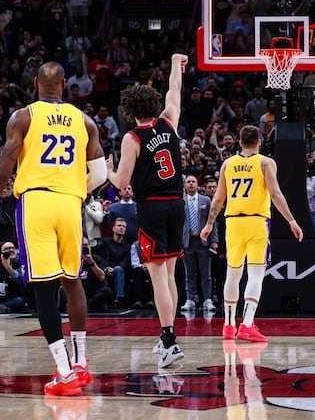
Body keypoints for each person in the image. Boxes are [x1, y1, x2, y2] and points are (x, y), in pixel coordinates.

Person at [0, 61, 106, 397]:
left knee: (45, 288)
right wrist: (76, 187)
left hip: (37, 203)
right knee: (72, 281)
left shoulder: (23, 117)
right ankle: (80, 363)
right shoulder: (85, 121)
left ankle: (62, 371)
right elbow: (101, 174)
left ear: (35, 84)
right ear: (64, 86)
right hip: (71, 204)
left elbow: (3, 170)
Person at [109, 54, 189, 368]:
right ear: (154, 105)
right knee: (169, 275)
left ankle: (169, 338)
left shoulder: (132, 138)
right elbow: (175, 89)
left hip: (152, 209)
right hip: (176, 205)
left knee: (158, 279)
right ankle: (166, 335)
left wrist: (110, 171)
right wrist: (174, 64)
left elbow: (123, 183)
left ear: (129, 112)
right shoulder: (170, 121)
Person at [200, 124, 304, 342]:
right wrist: (292, 220)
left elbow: (218, 198)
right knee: (255, 273)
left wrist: (209, 224)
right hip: (256, 221)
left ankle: (228, 326)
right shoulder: (265, 162)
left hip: (233, 223)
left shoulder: (228, 163)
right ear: (259, 142)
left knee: (233, 273)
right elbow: (275, 194)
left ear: (239, 143)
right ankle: (247, 324)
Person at [181, 174, 217, 313]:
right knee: (189, 273)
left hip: (203, 242)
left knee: (205, 273)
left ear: (197, 185)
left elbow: (212, 221)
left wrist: (214, 240)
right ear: (185, 185)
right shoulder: (182, 202)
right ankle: (190, 300)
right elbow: (179, 224)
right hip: (188, 242)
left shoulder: (206, 200)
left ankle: (207, 300)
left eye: (193, 182)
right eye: (188, 182)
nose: (190, 184)